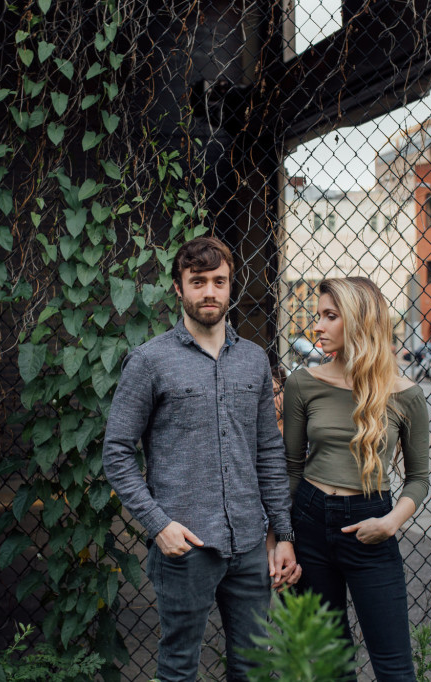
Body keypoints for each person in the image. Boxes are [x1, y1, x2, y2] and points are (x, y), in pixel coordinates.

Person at [102, 236, 300, 682]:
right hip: (185, 545)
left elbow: (269, 452)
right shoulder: (150, 361)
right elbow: (116, 453)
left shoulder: (253, 360)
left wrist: (282, 533)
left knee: (252, 666)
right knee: (178, 667)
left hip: (250, 544)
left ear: (231, 286)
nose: (209, 291)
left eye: (219, 281)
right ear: (178, 288)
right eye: (198, 282)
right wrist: (158, 524)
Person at [282, 277, 431, 682]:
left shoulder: (406, 395)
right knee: (329, 663)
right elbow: (291, 469)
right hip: (309, 520)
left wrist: (390, 523)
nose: (318, 326)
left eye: (330, 316)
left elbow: (418, 479)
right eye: (318, 316)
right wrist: (282, 539)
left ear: (359, 320)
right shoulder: (302, 384)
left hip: (371, 524)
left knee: (395, 666)